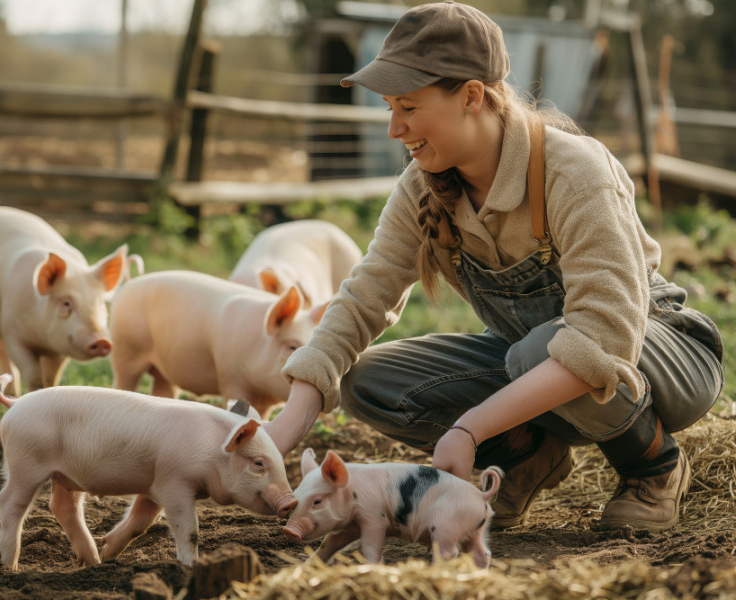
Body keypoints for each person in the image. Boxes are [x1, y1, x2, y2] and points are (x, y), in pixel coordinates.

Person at [264, 0, 724, 532]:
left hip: (663, 355)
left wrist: (470, 428)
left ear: (472, 96)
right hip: (534, 362)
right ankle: (529, 455)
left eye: (408, 107)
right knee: (366, 381)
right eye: (390, 107)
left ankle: (654, 466)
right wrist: (287, 423)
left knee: (538, 349)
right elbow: (366, 294)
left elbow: (605, 333)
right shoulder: (422, 185)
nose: (394, 128)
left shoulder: (573, 170)